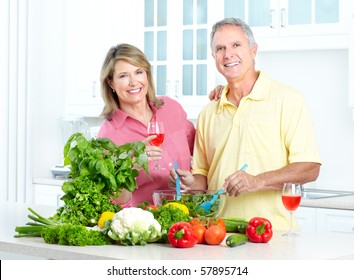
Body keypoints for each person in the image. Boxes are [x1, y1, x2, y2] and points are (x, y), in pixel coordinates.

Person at [169, 18, 322, 230]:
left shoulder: (288, 99)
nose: (228, 54)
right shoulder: (208, 112)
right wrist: (189, 183)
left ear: (253, 50)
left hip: (273, 233)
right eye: (220, 48)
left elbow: (310, 168)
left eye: (236, 45)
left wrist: (257, 181)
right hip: (217, 234)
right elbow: (203, 178)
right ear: (214, 58)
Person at [97, 43, 196, 207]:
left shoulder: (171, 108)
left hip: (188, 217)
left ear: (147, 75)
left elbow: (203, 154)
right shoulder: (108, 135)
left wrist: (191, 181)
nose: (133, 82)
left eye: (138, 72)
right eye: (123, 76)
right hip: (146, 225)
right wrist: (131, 168)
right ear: (111, 83)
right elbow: (113, 202)